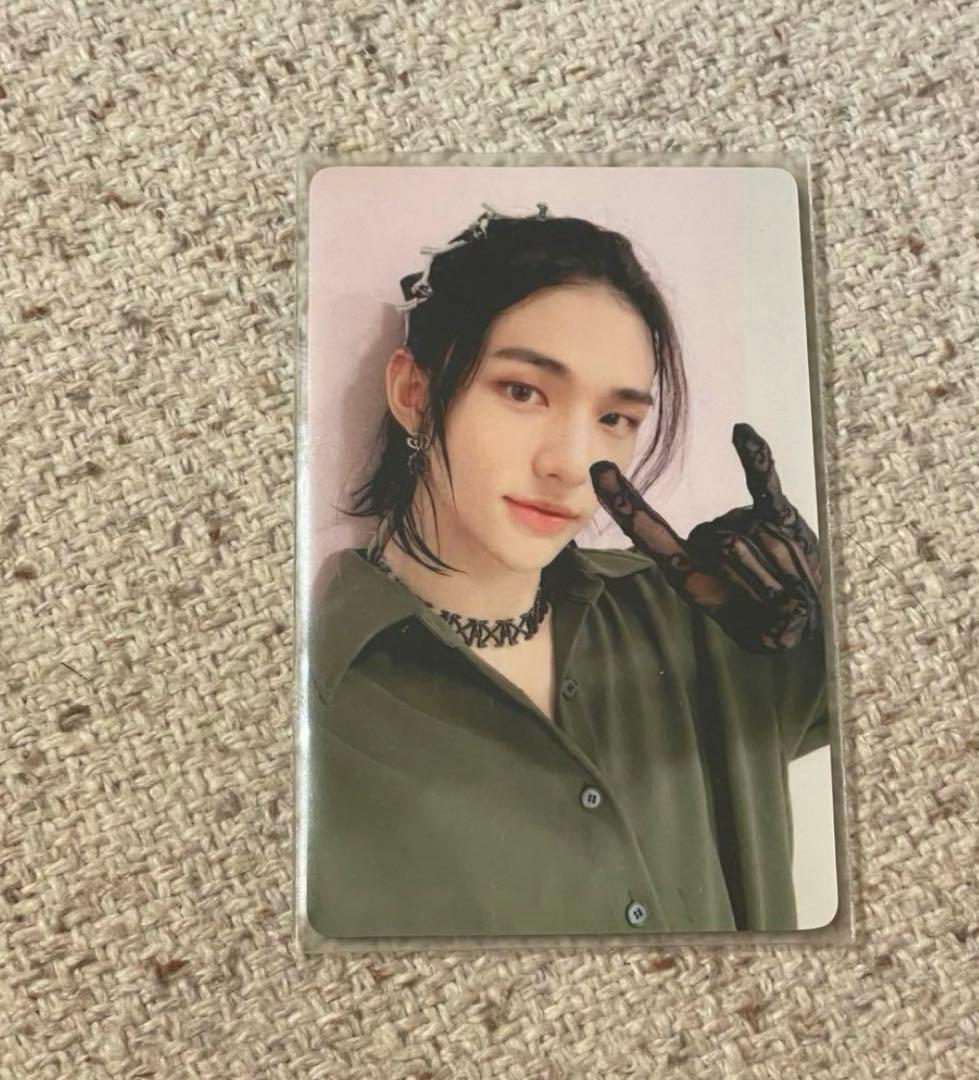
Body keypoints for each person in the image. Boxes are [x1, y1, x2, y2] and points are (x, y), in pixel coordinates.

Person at [304, 203, 830, 938]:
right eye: (523, 391)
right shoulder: (311, 705)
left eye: (615, 418)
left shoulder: (715, 622)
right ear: (414, 394)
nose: (569, 465)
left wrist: (834, 611)